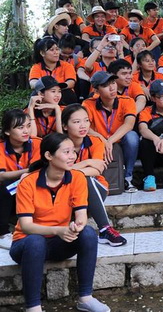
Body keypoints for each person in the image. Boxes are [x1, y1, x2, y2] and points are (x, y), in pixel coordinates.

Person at [9, 133, 110, 312]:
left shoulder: (77, 178)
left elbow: (81, 215)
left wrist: (76, 226)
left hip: (59, 242)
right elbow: (26, 226)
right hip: (25, 245)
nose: (72, 156)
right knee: (35, 241)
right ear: (49, 155)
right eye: (66, 152)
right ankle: (33, 307)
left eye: (73, 152)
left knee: (87, 233)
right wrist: (58, 230)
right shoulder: (28, 183)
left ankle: (85, 298)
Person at [62, 104, 127, 247]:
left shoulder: (95, 141)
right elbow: (53, 170)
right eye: (76, 122)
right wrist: (88, 162)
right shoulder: (59, 144)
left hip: (96, 189)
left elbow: (97, 170)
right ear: (65, 126)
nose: (83, 125)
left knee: (84, 178)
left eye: (86, 121)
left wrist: (67, 170)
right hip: (66, 191)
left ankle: (104, 229)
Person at [82, 71, 139, 193]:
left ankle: (128, 178)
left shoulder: (127, 101)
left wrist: (110, 141)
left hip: (120, 139)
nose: (112, 87)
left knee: (132, 137)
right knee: (86, 138)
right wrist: (102, 139)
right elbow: (85, 127)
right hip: (99, 141)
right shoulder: (88, 104)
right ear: (96, 91)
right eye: (105, 85)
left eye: (113, 82)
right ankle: (98, 178)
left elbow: (129, 124)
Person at [0, 110, 41, 250]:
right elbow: (1, 176)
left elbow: (40, 169)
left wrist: (28, 174)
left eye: (28, 126)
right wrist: (27, 171)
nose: (26, 131)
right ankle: (2, 233)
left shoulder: (37, 143)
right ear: (7, 131)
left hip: (34, 185)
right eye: (20, 127)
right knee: (5, 188)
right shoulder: (1, 147)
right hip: (11, 190)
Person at [29, 37, 77, 105]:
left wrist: (56, 89)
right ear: (42, 53)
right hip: (45, 94)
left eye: (57, 49)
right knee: (35, 94)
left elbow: (71, 82)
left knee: (68, 93)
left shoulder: (67, 66)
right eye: (52, 50)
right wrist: (48, 89)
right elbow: (33, 83)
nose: (56, 52)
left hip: (63, 93)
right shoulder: (36, 67)